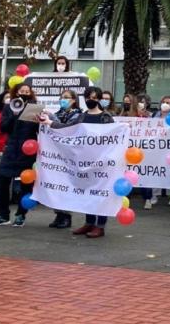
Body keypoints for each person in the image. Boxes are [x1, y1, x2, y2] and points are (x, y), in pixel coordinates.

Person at [57, 87, 115, 238]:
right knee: (87, 193)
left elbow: (114, 139)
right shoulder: (81, 117)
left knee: (101, 193)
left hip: (101, 164)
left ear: (100, 100)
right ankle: (89, 222)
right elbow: (66, 130)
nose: (91, 100)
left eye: (95, 98)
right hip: (85, 164)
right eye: (89, 97)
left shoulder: (106, 117)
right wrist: (49, 123)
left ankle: (100, 226)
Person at [0, 84, 40, 227]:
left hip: (27, 151)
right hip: (11, 149)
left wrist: (39, 121)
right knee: (3, 181)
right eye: (21, 91)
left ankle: (21, 214)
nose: (24, 93)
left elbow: (38, 131)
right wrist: (14, 115)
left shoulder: (34, 109)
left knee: (25, 184)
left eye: (27, 92)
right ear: (16, 93)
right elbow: (3, 128)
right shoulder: (8, 107)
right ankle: (3, 215)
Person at [44, 90, 82, 228]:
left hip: (69, 155)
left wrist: (52, 119)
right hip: (56, 155)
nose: (63, 100)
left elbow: (67, 129)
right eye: (61, 97)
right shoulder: (59, 113)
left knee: (66, 186)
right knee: (56, 185)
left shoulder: (78, 115)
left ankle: (66, 216)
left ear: (74, 100)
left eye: (66, 98)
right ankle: (58, 214)